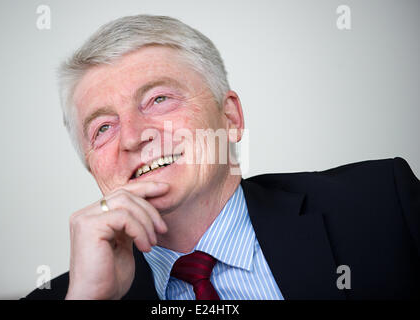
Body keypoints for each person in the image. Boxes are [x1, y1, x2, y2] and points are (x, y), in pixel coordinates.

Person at [24, 15, 420, 300]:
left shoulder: (385, 205)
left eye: (159, 99)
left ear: (230, 117)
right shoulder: (70, 296)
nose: (131, 137)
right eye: (103, 127)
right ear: (91, 163)